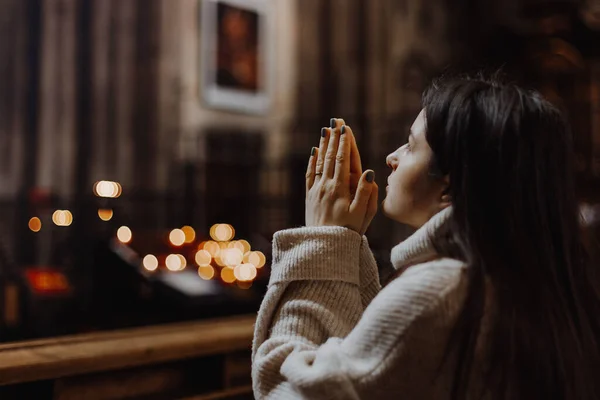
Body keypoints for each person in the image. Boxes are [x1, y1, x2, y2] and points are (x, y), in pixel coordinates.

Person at [251, 75, 600, 399]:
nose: (391, 157)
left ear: (449, 186)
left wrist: (322, 240)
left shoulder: (440, 293)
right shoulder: (526, 282)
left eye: (410, 144)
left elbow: (285, 391)